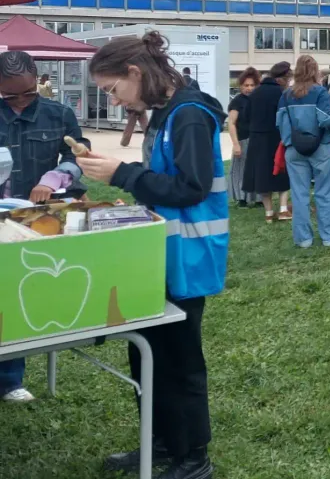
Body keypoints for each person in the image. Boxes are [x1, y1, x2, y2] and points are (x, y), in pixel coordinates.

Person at [76, 31, 226, 479]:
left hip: (188, 254)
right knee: (146, 353)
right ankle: (161, 442)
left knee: (180, 360)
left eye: (113, 90)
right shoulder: (163, 113)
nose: (115, 100)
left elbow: (190, 188)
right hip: (158, 252)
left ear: (135, 73)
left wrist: (123, 174)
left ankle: (193, 457)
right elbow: (163, 182)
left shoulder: (190, 116)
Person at [0, 51, 89, 403]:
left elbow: (78, 154)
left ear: (38, 79)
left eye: (27, 93)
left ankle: (9, 379)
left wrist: (55, 178)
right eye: (10, 96)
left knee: (19, 288)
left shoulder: (60, 114)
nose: (20, 102)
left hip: (38, 217)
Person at [277, 56, 330, 248]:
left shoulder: (285, 95)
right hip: (321, 147)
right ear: (315, 71)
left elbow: (280, 123)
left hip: (294, 149)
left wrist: (290, 142)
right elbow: (326, 120)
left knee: (299, 194)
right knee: (325, 192)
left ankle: (303, 239)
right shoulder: (319, 92)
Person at [243, 62, 292, 222]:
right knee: (282, 172)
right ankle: (284, 210)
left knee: (262, 176)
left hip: (257, 139)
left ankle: (269, 213)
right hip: (277, 137)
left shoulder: (255, 93)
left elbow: (245, 116)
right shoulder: (282, 93)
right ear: (283, 77)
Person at [227, 67, 261, 208]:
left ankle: (259, 198)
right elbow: (231, 123)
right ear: (240, 86)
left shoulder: (259, 100)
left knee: (257, 169)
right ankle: (242, 198)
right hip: (242, 139)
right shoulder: (237, 101)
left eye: (252, 85)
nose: (249, 88)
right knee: (241, 171)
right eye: (246, 85)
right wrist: (235, 144)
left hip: (257, 139)